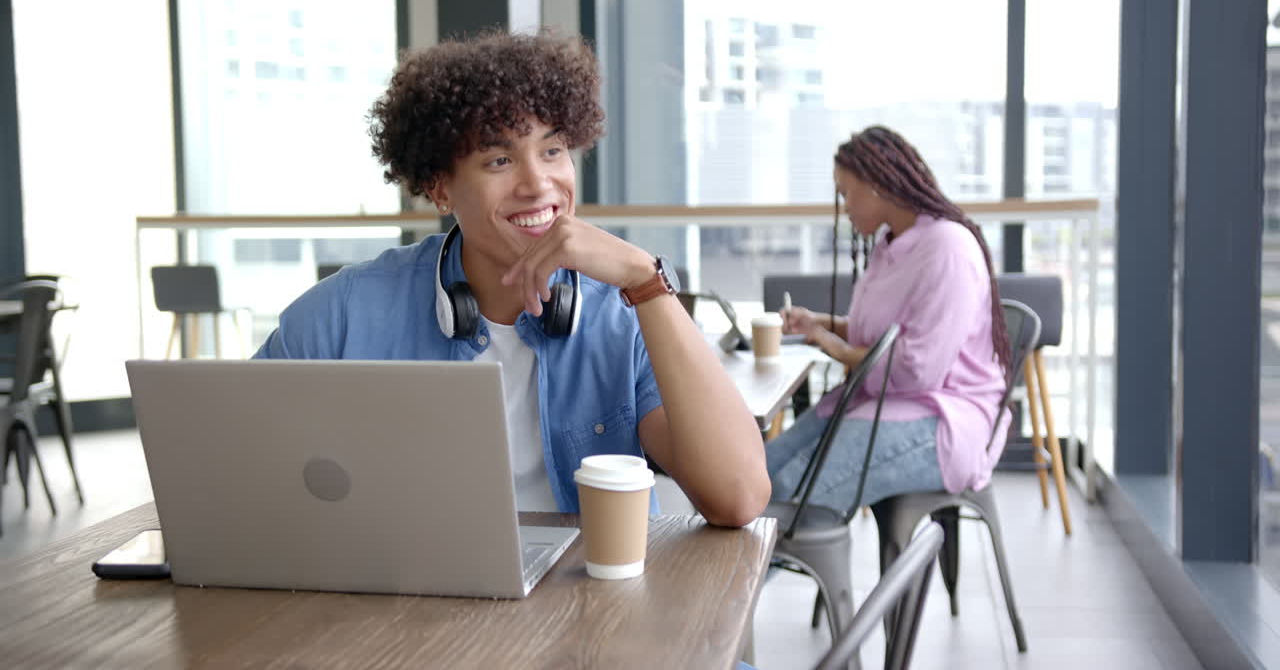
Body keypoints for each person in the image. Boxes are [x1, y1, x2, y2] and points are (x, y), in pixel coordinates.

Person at [254, 30, 770, 528]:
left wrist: (644, 278)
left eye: (552, 150)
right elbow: (232, 462)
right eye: (499, 159)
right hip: (409, 605)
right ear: (440, 190)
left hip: (590, 605)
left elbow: (739, 496)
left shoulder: (622, 310)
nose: (538, 183)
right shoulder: (347, 311)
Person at [768, 125, 1011, 512]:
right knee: (758, 473)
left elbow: (917, 368)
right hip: (878, 402)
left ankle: (748, 570)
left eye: (847, 193)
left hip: (944, 419)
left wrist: (833, 345)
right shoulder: (889, 245)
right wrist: (821, 324)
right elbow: (882, 336)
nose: (844, 207)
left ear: (876, 183)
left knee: (790, 486)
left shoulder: (948, 248)